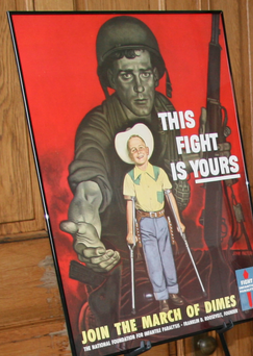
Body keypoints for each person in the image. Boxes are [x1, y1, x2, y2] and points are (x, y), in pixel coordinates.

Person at [60, 16, 189, 318]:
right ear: (111, 79)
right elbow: (88, 190)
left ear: (156, 74)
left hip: (165, 238)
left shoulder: (165, 108)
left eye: (145, 73)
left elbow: (174, 172)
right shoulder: (98, 125)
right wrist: (85, 229)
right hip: (120, 258)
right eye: (127, 75)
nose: (141, 87)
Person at [118, 124, 185, 312]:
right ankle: (162, 297)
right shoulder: (130, 177)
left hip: (162, 220)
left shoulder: (159, 173)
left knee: (167, 257)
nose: (138, 152)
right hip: (145, 223)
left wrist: (178, 222)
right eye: (133, 150)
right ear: (130, 156)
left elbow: (169, 197)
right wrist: (131, 232)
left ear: (147, 150)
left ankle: (173, 292)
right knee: (153, 261)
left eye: (140, 147)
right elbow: (130, 205)